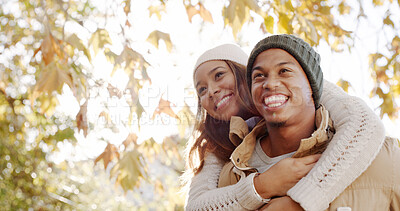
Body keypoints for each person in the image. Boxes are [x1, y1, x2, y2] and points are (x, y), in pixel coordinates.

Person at [183, 41, 386, 210]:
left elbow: (364, 125)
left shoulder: (297, 86)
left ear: (245, 74)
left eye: (219, 75)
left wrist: (300, 201)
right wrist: (261, 186)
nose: (210, 91)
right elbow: (196, 206)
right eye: (201, 90)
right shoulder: (215, 144)